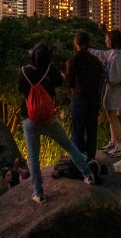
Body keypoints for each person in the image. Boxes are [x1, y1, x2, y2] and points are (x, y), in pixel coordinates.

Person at [18, 43, 98, 203]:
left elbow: (21, 89)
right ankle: (88, 175)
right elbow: (60, 82)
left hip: (30, 119)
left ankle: (39, 194)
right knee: (69, 145)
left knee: (33, 158)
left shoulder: (24, 71)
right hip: (49, 118)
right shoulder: (51, 70)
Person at [90, 29, 121, 157]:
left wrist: (104, 69)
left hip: (117, 91)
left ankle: (120, 146)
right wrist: (89, 50)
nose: (105, 40)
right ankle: (114, 142)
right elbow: (102, 54)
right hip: (113, 91)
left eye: (107, 38)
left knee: (113, 117)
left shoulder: (118, 57)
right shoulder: (114, 53)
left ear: (112, 40)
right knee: (110, 116)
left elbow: (114, 78)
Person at [64, 31, 103, 162]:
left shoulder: (73, 60)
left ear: (76, 44)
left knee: (78, 128)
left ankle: (79, 157)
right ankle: (91, 156)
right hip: (93, 98)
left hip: (79, 97)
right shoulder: (95, 60)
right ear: (88, 43)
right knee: (92, 128)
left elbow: (69, 82)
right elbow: (100, 78)